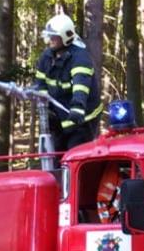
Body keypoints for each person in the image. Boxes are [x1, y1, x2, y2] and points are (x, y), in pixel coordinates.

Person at [33, 13, 103, 153]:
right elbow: (41, 84)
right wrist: (46, 107)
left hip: (82, 120)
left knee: (75, 157)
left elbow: (81, 85)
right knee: (56, 157)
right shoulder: (46, 57)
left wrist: (77, 107)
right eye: (49, 36)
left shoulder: (80, 57)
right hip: (59, 119)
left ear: (65, 37)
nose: (49, 40)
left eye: (54, 37)